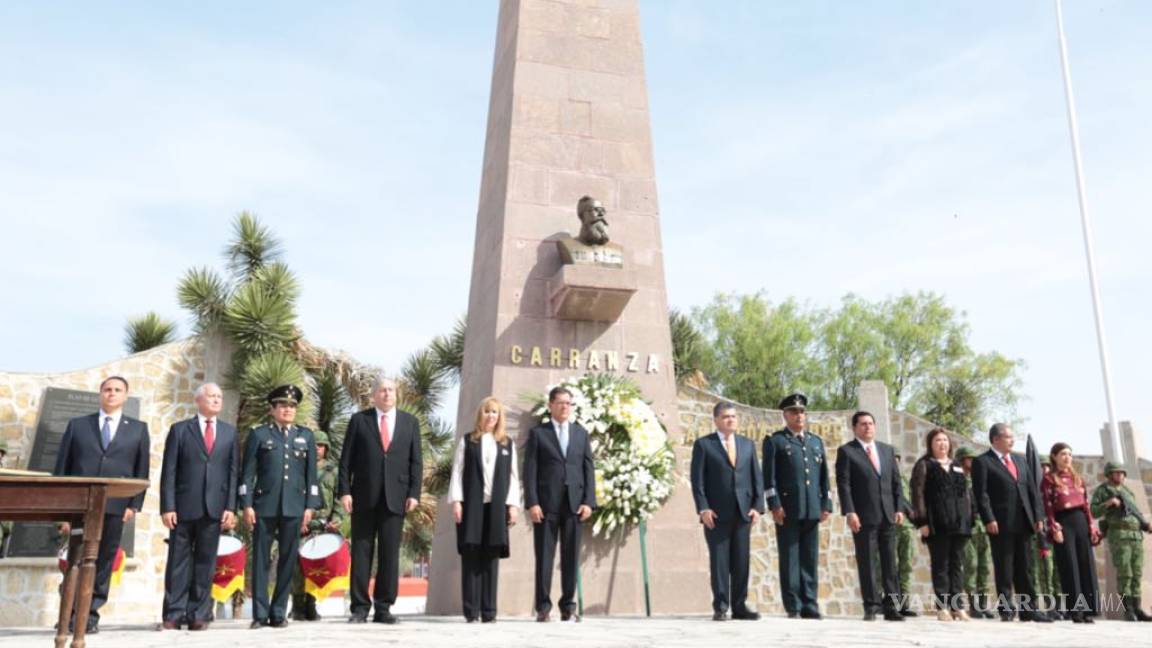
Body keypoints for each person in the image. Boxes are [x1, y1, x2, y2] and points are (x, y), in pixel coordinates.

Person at [53, 376, 150, 634]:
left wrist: (134, 505)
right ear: (100, 394)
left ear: (125, 396)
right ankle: (69, 613)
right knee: (74, 559)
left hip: (115, 507)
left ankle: (90, 614)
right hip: (78, 507)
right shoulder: (78, 426)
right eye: (107, 389)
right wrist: (62, 510)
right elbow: (62, 468)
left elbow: (142, 470)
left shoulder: (138, 429)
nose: (112, 393)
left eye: (117, 390)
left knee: (103, 561)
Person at [338, 376, 422, 624]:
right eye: (382, 390)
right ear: (374, 395)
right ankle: (359, 608)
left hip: (396, 498)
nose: (387, 394)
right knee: (362, 553)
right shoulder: (359, 421)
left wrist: (414, 493)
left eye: (391, 390)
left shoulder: (410, 423)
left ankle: (384, 607)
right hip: (363, 497)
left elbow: (416, 461)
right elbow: (346, 461)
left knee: (389, 554)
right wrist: (345, 491)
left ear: (397, 394)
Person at [159, 383, 239, 631]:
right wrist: (167, 506)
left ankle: (199, 614)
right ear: (198, 401)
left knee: (206, 563)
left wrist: (230, 507)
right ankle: (173, 613)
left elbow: (233, 473)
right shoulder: (181, 430)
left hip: (214, 508)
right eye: (211, 396)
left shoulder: (229, 433)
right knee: (178, 562)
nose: (216, 400)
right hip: (183, 507)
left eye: (219, 397)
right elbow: (169, 471)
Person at [240, 384, 320, 629]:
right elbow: (247, 475)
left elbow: (311, 477)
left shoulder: (305, 436)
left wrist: (310, 506)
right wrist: (246, 504)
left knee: (287, 560)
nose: (288, 410)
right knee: (261, 561)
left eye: (292, 406)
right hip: (264, 506)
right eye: (283, 405)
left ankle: (278, 613)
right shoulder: (260, 435)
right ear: (272, 409)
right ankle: (260, 613)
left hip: (294, 507)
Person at [523, 386, 597, 623]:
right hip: (546, 506)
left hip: (574, 505)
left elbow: (588, 470)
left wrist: (588, 502)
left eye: (569, 403)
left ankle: (568, 606)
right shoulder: (538, 434)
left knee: (570, 557)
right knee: (544, 558)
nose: (565, 407)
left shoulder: (581, 434)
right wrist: (532, 502)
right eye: (561, 403)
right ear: (550, 406)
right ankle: (543, 607)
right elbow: (530, 471)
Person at [448, 397, 522, 623]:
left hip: (497, 507)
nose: (491, 416)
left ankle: (489, 612)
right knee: (471, 555)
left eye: (495, 412)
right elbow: (458, 472)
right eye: (488, 412)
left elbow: (513, 476)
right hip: (471, 505)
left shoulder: (507, 443)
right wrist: (457, 502)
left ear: (500, 417)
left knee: (491, 556)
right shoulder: (468, 441)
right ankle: (471, 611)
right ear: (481, 414)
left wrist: (513, 506)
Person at [690, 401, 765, 621]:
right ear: (715, 420)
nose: (730, 420)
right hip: (716, 515)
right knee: (720, 562)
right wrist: (703, 508)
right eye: (725, 417)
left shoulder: (747, 444)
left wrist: (757, 507)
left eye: (733, 416)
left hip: (743, 513)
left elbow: (756, 478)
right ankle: (721, 606)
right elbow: (698, 481)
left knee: (741, 562)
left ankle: (740, 606)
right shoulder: (704, 445)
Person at [970, 423, 1050, 622]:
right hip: (1000, 523)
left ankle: (1028, 609)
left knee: (1025, 567)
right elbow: (981, 494)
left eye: (1013, 437)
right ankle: (1006, 609)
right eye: (1008, 437)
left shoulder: (1020, 461)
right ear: (995, 439)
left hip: (1024, 522)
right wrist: (989, 518)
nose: (1012, 440)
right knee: (1004, 567)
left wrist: (1038, 517)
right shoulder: (983, 462)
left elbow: (1033, 491)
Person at [763, 393, 832, 619]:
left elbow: (824, 478)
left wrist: (826, 504)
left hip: (812, 508)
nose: (799, 416)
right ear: (785, 415)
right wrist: (775, 505)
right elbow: (769, 478)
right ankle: (793, 604)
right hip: (788, 509)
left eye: (802, 412)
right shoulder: (776, 441)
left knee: (809, 558)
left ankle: (810, 603)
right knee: (790, 559)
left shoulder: (815, 441)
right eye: (794, 412)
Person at [835, 411, 908, 621]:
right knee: (867, 563)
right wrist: (850, 511)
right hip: (863, 516)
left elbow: (896, 483)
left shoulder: (886, 450)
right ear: (855, 428)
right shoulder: (847, 452)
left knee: (890, 563)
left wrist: (899, 508)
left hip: (888, 515)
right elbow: (844, 484)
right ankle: (871, 605)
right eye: (863, 424)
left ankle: (892, 607)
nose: (867, 427)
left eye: (870, 424)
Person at [909, 428, 973, 622]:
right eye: (938, 440)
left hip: (959, 523)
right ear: (930, 444)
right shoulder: (924, 465)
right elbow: (917, 494)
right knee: (941, 565)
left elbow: (965, 495)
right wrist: (922, 522)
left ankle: (958, 607)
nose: (942, 444)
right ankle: (942, 607)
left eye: (945, 440)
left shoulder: (956, 465)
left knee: (957, 565)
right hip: (936, 524)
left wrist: (969, 519)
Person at [1040, 442, 1099, 623]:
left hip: (1081, 521)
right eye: (1063, 454)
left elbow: (1086, 505)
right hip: (1063, 523)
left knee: (1085, 564)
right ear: (1054, 457)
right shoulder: (1049, 479)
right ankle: (1076, 611)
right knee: (1069, 566)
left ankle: (1089, 610)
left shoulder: (1078, 478)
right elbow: (1047, 506)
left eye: (1070, 454)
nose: (1067, 458)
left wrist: (1092, 526)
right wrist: (1053, 527)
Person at [290, 428, 344, 621]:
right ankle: (297, 606)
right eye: (314, 445)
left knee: (318, 566)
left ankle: (311, 605)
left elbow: (339, 497)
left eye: (321, 445)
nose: (317, 448)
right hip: (302, 524)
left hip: (324, 524)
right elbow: (292, 496)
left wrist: (336, 519)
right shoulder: (296, 468)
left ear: (326, 448)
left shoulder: (333, 471)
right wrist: (297, 521)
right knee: (297, 568)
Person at [1091, 462, 1152, 621]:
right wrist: (1109, 503)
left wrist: (1146, 525)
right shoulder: (1103, 491)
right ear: (1109, 474)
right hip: (1119, 535)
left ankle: (1137, 608)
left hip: (1135, 535)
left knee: (1136, 572)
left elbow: (1135, 512)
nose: (1120, 475)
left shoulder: (1127, 492)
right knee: (1125, 572)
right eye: (1116, 472)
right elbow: (1094, 511)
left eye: (1122, 473)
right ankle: (1128, 609)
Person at [955, 446, 994, 618]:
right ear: (962, 460)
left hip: (981, 527)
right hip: (967, 528)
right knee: (971, 565)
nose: (972, 462)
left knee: (984, 566)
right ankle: (973, 604)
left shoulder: (978, 480)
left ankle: (983, 604)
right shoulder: (957, 479)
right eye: (969, 459)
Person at [893, 452, 919, 617]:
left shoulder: (905, 479)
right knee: (889, 565)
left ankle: (904, 603)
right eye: (892, 459)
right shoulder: (884, 478)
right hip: (892, 526)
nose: (895, 462)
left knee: (906, 566)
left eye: (897, 459)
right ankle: (889, 601)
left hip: (907, 527)